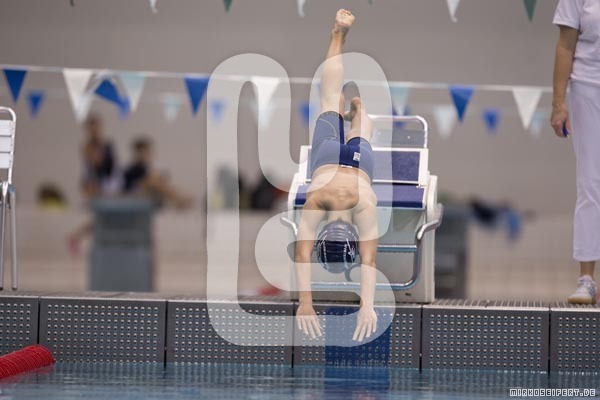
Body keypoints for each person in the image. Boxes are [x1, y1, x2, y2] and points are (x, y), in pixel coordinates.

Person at [295, 9, 378, 341]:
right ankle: (336, 36)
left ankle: (360, 116)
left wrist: (367, 306)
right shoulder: (315, 200)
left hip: (358, 168)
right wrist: (305, 304)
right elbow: (301, 254)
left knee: (363, 130)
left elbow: (370, 260)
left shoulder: (364, 204)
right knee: (330, 99)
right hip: (327, 160)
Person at [551, 0, 600, 304]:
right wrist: (559, 104)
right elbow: (565, 46)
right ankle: (587, 280)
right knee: (591, 183)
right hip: (588, 87)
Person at [67, 114, 120, 255]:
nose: (96, 130)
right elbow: (97, 164)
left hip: (107, 184)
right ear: (89, 129)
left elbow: (111, 166)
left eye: (98, 127)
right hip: (93, 185)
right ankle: (75, 238)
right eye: (93, 127)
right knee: (102, 216)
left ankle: (75, 238)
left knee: (103, 217)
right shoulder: (87, 146)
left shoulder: (106, 144)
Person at [122, 136, 194, 209]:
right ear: (137, 153)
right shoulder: (133, 168)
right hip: (131, 193)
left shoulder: (144, 167)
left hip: (144, 192)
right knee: (153, 181)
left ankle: (179, 198)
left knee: (157, 180)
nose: (147, 155)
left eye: (148, 152)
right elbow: (134, 184)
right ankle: (179, 198)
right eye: (144, 152)